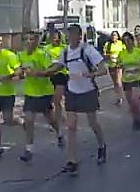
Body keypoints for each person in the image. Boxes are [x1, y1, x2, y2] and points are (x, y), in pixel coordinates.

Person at [41, 25, 108, 176]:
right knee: (71, 126)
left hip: (88, 90)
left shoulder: (88, 50)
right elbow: (58, 66)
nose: (72, 37)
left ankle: (102, 145)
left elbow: (104, 69)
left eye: (75, 35)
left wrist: (92, 74)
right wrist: (42, 73)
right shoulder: (65, 52)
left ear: (80, 36)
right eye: (69, 34)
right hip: (72, 91)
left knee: (93, 123)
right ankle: (71, 161)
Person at [16, 32, 62, 162]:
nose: (29, 42)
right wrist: (19, 73)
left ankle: (59, 133)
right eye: (27, 39)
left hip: (44, 92)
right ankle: (29, 149)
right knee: (29, 119)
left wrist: (37, 73)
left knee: (50, 118)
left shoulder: (42, 55)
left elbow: (51, 70)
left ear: (36, 42)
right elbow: (20, 69)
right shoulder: (21, 55)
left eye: (32, 39)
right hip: (30, 93)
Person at [117, 32, 140, 131]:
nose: (127, 43)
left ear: (132, 40)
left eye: (128, 40)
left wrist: (139, 67)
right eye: (125, 41)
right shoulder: (122, 53)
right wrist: (120, 67)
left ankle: (137, 119)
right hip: (126, 79)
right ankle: (135, 118)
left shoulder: (138, 51)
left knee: (135, 101)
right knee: (131, 103)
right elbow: (119, 65)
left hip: (137, 78)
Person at [43, 32, 67, 148]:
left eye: (57, 39)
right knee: (51, 101)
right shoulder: (46, 49)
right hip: (49, 74)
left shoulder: (64, 49)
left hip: (61, 75)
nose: (55, 41)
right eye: (53, 39)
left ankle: (59, 122)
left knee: (57, 100)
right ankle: (57, 119)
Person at [103, 31, 125, 106]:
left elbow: (124, 52)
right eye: (112, 35)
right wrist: (110, 56)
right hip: (111, 65)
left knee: (118, 81)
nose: (113, 37)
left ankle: (121, 97)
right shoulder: (108, 44)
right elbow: (105, 54)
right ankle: (118, 97)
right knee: (115, 82)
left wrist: (120, 59)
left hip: (119, 65)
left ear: (118, 36)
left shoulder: (121, 43)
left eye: (115, 35)